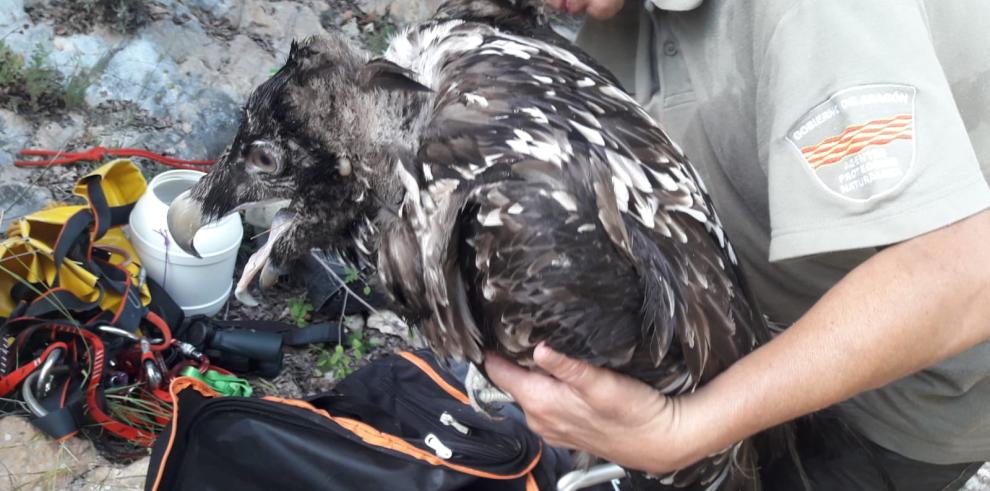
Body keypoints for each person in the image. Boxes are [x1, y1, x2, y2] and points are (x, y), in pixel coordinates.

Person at [484, 0, 990, 488]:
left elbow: (963, 272)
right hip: (756, 339)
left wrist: (686, 430)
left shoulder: (816, 12)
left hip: (899, 404)